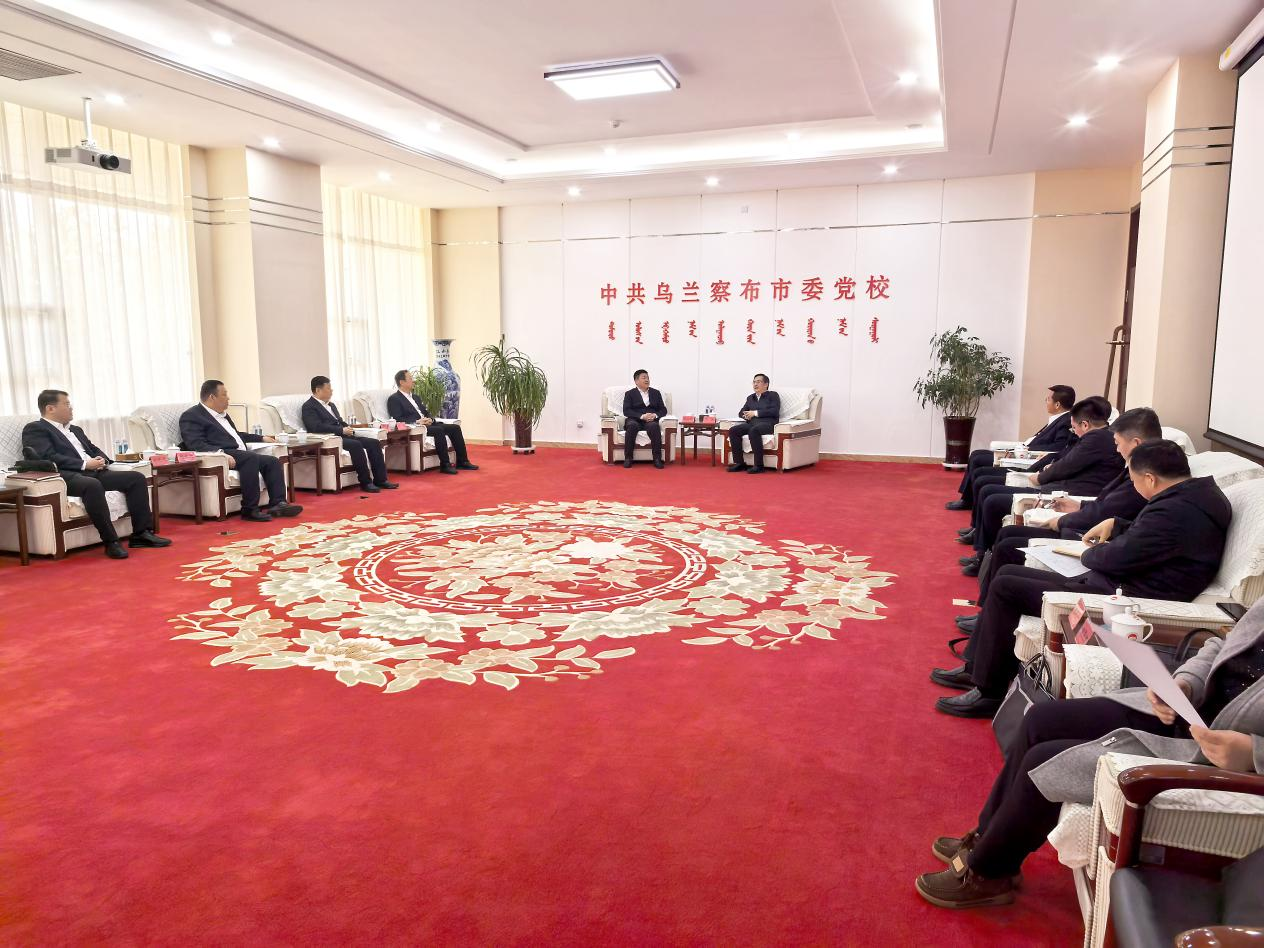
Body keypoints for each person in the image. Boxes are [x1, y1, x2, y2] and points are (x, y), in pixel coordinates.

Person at [916, 597, 1264, 909]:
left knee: (1046, 760)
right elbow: (1222, 643)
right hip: (1187, 712)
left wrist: (1252, 753)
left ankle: (990, 872)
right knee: (1041, 719)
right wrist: (1184, 683)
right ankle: (985, 835)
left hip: (1210, 753)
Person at [934, 440, 1232, 718]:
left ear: (1150, 479)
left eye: (1134, 479)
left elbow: (1118, 556)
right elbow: (1152, 537)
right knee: (1009, 574)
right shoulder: (1197, 496)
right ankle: (976, 668)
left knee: (1007, 587)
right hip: (1123, 583)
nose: (1134, 485)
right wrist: (1117, 524)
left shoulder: (1175, 510)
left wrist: (1089, 552)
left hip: (1125, 600)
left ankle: (989, 690)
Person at [960, 407, 1163, 630]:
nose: (1116, 448)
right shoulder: (1144, 469)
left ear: (1135, 443)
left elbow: (1110, 518)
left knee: (1008, 546)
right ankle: (985, 615)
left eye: (1118, 443)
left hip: (1089, 545)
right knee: (1007, 539)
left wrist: (1062, 521)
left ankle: (986, 616)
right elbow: (1109, 507)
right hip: (1089, 530)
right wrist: (1079, 506)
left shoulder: (1147, 477)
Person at [960, 396, 1121, 575]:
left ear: (1084, 424)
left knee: (992, 499)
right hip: (1062, 487)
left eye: (1074, 428)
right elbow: (1067, 459)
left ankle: (983, 556)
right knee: (989, 491)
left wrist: (1040, 477)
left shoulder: (1097, 438)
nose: (1073, 432)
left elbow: (1067, 465)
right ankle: (982, 551)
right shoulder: (1099, 436)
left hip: (1067, 493)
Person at [22, 389, 171, 559]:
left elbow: (93, 449)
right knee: (92, 485)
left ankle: (141, 534)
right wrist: (84, 464)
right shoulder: (36, 429)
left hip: (93, 471)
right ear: (50, 408)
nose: (71, 408)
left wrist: (102, 460)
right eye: (67, 404)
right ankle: (111, 542)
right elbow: (47, 456)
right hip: (66, 476)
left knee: (135, 478)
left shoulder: (75, 429)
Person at [179, 380, 302, 523]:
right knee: (250, 458)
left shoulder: (223, 415)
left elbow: (237, 435)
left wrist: (262, 438)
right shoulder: (192, 416)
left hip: (239, 453)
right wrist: (221, 453)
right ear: (212, 397)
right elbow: (195, 444)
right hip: (222, 454)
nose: (228, 398)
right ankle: (249, 509)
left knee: (272, 461)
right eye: (224, 394)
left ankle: (278, 504)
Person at [947, 385, 1076, 511]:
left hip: (1026, 457)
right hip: (1022, 451)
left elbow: (1057, 447)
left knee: (977, 459)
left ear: (1057, 405)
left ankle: (968, 501)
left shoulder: (1065, 421)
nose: (1045, 401)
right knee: (976, 454)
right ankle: (967, 499)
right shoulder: (1058, 419)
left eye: (1048, 399)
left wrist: (1027, 449)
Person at [301, 376, 398, 493]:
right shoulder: (309, 407)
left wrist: (347, 427)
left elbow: (340, 421)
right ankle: (366, 482)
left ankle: (381, 480)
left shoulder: (331, 405)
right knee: (355, 445)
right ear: (318, 390)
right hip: (331, 438)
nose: (331, 390)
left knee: (373, 443)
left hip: (344, 435)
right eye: (328, 388)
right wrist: (341, 430)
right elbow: (316, 427)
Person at [385, 369, 478, 474]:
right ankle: (445, 465)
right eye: (410, 378)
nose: (413, 380)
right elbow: (397, 419)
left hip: (428, 424)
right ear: (402, 382)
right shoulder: (394, 399)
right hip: (417, 428)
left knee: (455, 428)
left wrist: (430, 419)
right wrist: (417, 421)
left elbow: (425, 412)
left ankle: (462, 461)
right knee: (438, 430)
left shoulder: (415, 397)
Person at [726, 374, 781, 474]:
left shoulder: (773, 395)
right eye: (754, 382)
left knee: (754, 431)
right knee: (734, 430)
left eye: (758, 382)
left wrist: (755, 413)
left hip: (768, 424)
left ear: (766, 384)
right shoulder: (750, 398)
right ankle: (739, 463)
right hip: (752, 423)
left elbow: (774, 411)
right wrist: (746, 415)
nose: (755, 384)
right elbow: (741, 412)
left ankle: (759, 466)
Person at [621, 369, 668, 469]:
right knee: (632, 426)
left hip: (650, 420)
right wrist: (642, 416)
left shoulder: (656, 393)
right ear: (636, 381)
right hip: (635, 419)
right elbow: (626, 411)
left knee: (654, 426)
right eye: (644, 377)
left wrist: (655, 415)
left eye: (648, 378)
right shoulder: (629, 394)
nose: (647, 380)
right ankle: (628, 458)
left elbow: (663, 410)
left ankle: (657, 459)